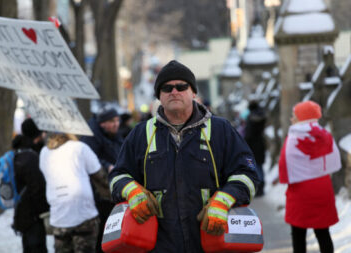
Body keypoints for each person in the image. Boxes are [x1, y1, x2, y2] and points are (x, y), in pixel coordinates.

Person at [108, 60, 260, 252]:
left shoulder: (221, 130)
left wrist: (225, 199)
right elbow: (117, 176)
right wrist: (132, 192)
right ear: (159, 96)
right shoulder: (140, 134)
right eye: (167, 88)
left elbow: (247, 175)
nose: (174, 91)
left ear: (193, 92)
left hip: (210, 244)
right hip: (161, 246)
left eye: (181, 86)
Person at [279, 101, 341, 253]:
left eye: (294, 116)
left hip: (300, 191)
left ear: (302, 117)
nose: (291, 119)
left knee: (299, 234)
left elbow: (284, 164)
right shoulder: (324, 134)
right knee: (323, 232)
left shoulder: (294, 136)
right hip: (322, 188)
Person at [40, 132, 110, 253]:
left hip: (59, 216)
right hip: (83, 213)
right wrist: (110, 195)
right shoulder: (80, 148)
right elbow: (101, 177)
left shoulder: (44, 152)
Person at [80, 108, 123, 253]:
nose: (116, 124)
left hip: (113, 188)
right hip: (100, 192)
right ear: (102, 123)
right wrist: (107, 166)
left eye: (117, 120)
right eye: (111, 121)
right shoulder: (92, 137)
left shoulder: (115, 136)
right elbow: (91, 159)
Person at [11, 118, 49, 253]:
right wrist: (45, 210)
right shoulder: (31, 158)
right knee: (36, 248)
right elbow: (37, 188)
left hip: (22, 213)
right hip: (32, 216)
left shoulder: (19, 152)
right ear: (37, 135)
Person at [244, 100, 267, 196]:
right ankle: (261, 186)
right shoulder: (261, 116)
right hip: (260, 144)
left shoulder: (251, 119)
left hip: (252, 146)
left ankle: (258, 186)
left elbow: (248, 134)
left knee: (254, 166)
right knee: (259, 166)